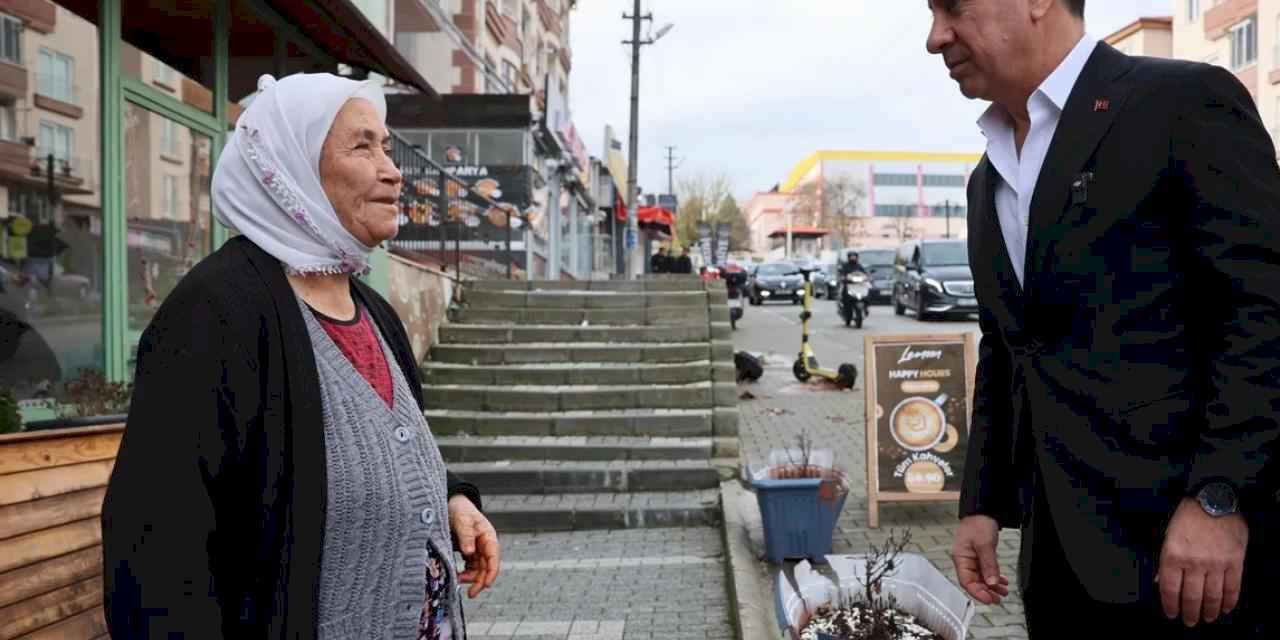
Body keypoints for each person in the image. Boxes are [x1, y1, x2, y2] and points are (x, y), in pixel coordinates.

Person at [101, 73, 501, 639]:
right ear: (292, 167)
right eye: (363, 145)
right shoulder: (217, 313)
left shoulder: (374, 312)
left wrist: (452, 497)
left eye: (386, 146)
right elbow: (157, 545)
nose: (392, 169)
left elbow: (382, 447)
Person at [928, 1, 1279, 636]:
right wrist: (982, 503)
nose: (935, 37)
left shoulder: (1182, 104)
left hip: (1191, 565)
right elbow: (1007, 351)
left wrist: (1221, 496)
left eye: (953, 7)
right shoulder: (988, 181)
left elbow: (1261, 312)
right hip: (1057, 565)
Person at [837, 252, 869, 316]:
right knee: (844, 294)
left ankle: (865, 307)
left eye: (854, 256)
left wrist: (867, 277)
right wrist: (843, 277)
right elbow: (842, 273)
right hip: (849, 284)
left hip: (858, 285)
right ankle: (844, 307)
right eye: (851, 256)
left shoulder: (859, 265)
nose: (853, 258)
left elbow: (864, 273)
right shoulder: (845, 266)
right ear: (849, 257)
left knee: (867, 292)